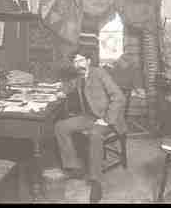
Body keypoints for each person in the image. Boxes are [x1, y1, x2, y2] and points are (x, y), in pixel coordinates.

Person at [54, 51, 127, 203]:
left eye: (80, 60)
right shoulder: (80, 76)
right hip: (90, 117)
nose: (77, 64)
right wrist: (62, 91)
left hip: (108, 118)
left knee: (95, 135)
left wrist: (107, 119)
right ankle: (74, 168)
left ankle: (96, 182)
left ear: (88, 61)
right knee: (60, 126)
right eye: (75, 62)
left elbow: (119, 97)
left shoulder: (100, 73)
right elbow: (71, 86)